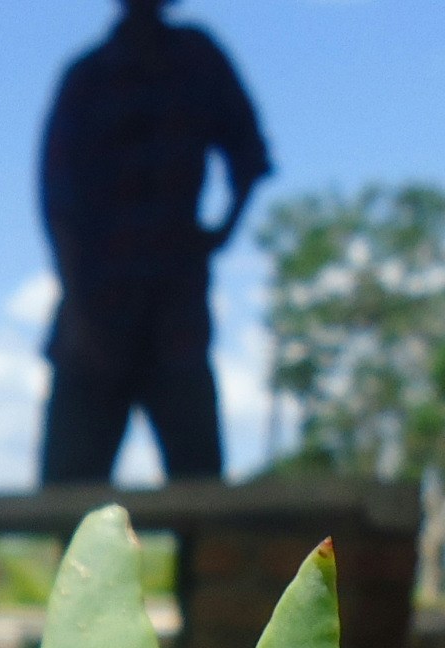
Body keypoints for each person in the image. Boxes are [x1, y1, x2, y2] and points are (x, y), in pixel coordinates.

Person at [38, 0, 271, 484]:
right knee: (67, 489)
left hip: (174, 310)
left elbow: (249, 156)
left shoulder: (196, 59)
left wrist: (220, 232)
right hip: (97, 309)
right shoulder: (88, 77)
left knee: (198, 486)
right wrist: (80, 308)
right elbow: (56, 200)